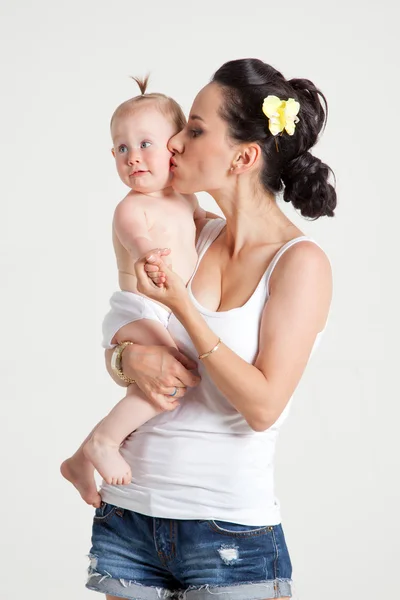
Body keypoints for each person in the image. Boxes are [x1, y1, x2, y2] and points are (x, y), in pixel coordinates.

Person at [86, 58, 336, 600]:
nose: (173, 143)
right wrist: (125, 360)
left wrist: (187, 309)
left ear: (244, 157)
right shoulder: (189, 235)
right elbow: (130, 326)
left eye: (195, 130)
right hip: (130, 514)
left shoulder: (299, 263)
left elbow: (263, 406)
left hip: (228, 534)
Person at [61, 77, 216, 506]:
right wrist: (151, 252)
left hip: (160, 311)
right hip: (137, 308)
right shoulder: (131, 207)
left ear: (175, 147)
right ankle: (103, 443)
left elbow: (205, 221)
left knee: (168, 377)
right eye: (123, 149)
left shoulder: (184, 199)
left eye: (146, 144)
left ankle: (79, 459)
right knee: (175, 371)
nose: (133, 158)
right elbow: (136, 239)